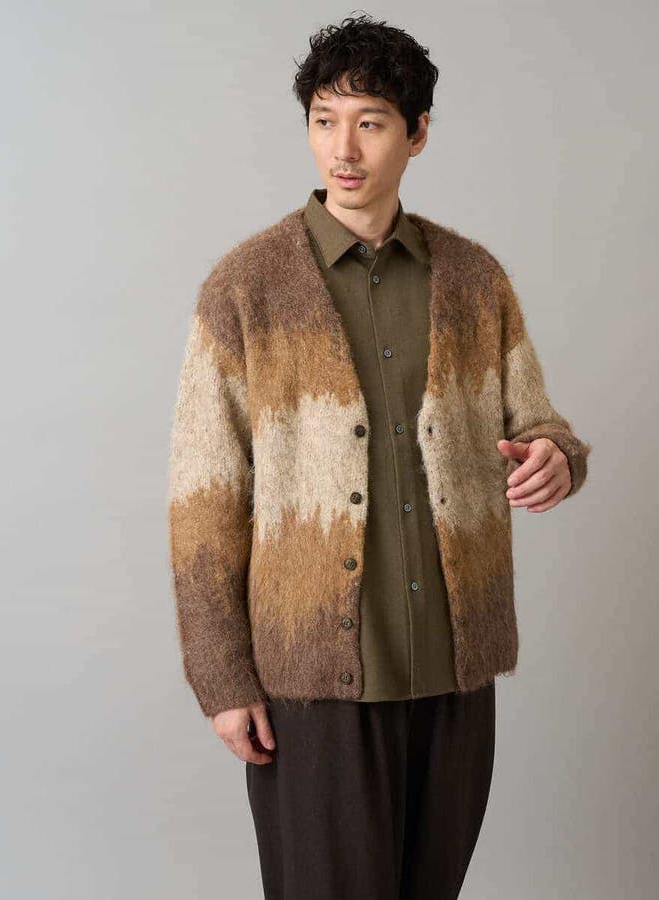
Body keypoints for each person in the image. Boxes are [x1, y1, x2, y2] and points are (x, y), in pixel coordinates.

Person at [168, 13, 591, 899]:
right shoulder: (245, 289)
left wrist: (556, 456)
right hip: (311, 687)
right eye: (324, 120)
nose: (343, 148)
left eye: (370, 122)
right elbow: (204, 499)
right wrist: (221, 676)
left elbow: (538, 421)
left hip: (452, 669)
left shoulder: (473, 279)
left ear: (418, 132)